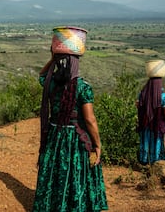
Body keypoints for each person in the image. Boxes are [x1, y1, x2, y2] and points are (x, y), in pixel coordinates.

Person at [32, 26, 108, 212]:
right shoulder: (82, 87)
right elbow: (89, 120)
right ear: (76, 63)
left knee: (55, 169)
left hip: (54, 133)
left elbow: (41, 75)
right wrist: (97, 144)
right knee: (75, 171)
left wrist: (53, 58)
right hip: (75, 137)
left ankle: (54, 204)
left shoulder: (51, 83)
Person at [136, 60, 165, 164]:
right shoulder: (164, 97)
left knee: (146, 141)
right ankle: (157, 161)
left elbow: (138, 108)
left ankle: (145, 161)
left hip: (145, 125)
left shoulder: (142, 95)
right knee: (157, 142)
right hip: (158, 126)